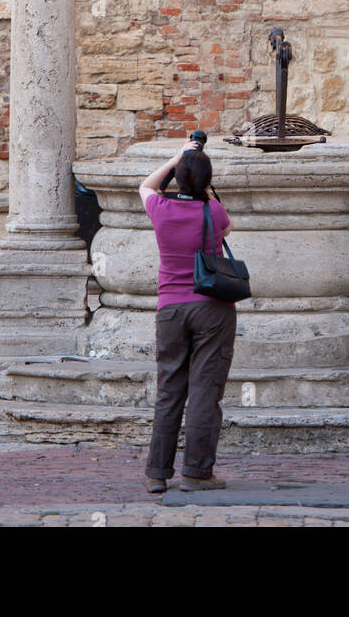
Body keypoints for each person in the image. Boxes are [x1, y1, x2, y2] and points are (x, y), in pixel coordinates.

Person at [138, 138, 236, 493]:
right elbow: (225, 230)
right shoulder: (214, 211)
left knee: (169, 391)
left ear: (178, 176)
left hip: (170, 309)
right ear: (208, 181)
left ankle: (157, 474)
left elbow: (145, 185)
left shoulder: (160, 208)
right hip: (212, 307)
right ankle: (196, 472)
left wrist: (178, 156)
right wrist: (204, 191)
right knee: (204, 391)